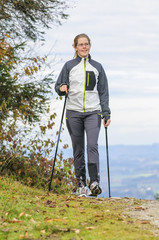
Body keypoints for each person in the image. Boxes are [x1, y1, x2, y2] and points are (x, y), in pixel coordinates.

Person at [55, 33, 111, 197]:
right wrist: (62, 88)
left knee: (92, 146)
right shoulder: (69, 66)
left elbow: (103, 92)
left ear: (89, 46)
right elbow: (58, 85)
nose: (84, 47)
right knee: (78, 149)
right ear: (75, 47)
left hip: (93, 112)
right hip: (73, 112)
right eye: (81, 44)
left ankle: (94, 182)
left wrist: (106, 113)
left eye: (86, 44)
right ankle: (81, 185)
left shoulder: (98, 67)